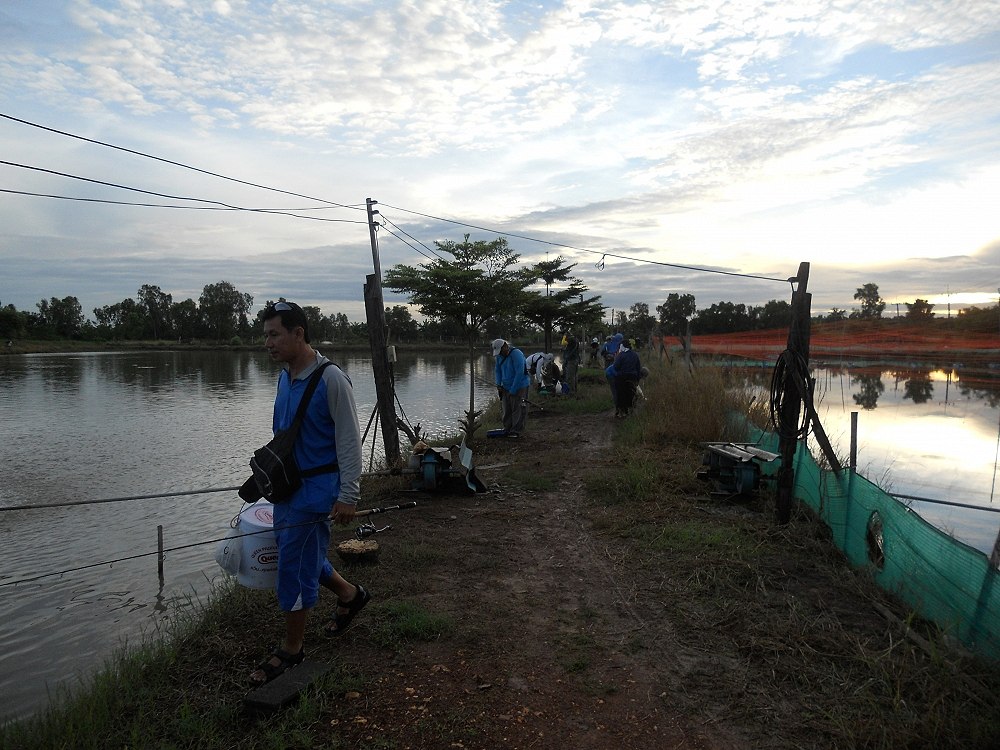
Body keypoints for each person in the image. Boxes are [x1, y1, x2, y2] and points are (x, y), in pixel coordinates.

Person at [249, 301, 368, 687]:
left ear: (298, 333)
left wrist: (349, 495)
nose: (267, 342)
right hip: (286, 487)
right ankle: (350, 594)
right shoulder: (285, 376)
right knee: (298, 553)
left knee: (292, 567)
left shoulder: (331, 379)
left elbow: (349, 442)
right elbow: (284, 435)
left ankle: (293, 648)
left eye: (274, 334)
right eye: (265, 334)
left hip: (316, 491)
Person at [492, 338, 530, 436]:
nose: (500, 353)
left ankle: (516, 430)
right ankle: (507, 428)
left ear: (505, 346)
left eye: (501, 351)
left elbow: (519, 373)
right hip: (505, 386)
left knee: (517, 407)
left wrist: (513, 389)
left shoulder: (516, 354)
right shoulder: (499, 357)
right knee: (506, 408)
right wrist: (498, 384)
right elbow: (498, 371)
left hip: (520, 385)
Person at [607, 337, 642, 417]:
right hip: (632, 377)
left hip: (622, 377)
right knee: (630, 394)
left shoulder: (621, 355)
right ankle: (629, 410)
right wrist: (637, 379)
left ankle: (621, 411)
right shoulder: (635, 355)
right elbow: (638, 367)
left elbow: (616, 367)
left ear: (622, 346)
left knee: (621, 394)